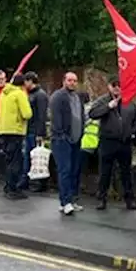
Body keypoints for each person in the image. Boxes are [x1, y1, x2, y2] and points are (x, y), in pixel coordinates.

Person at [89, 77, 136, 212]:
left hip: (124, 142)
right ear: (109, 87)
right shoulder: (103, 100)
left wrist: (132, 133)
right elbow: (92, 113)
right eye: (114, 85)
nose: (117, 88)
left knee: (126, 172)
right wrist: (108, 107)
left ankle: (130, 199)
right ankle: (101, 198)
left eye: (119, 85)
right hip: (108, 141)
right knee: (105, 172)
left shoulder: (129, 101)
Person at [50, 71, 86, 216]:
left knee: (74, 171)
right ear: (64, 81)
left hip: (76, 139)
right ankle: (65, 202)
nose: (72, 83)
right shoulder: (58, 97)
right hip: (62, 140)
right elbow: (56, 119)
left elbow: (80, 115)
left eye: (75, 81)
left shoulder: (77, 97)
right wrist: (62, 135)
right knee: (64, 170)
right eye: (70, 80)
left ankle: (71, 199)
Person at [0, 73, 33, 201]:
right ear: (23, 84)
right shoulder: (19, 94)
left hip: (2, 130)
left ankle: (7, 186)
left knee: (9, 160)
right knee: (16, 161)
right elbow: (27, 114)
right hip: (15, 130)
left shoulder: (4, 93)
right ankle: (13, 189)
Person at [19, 71, 49, 193]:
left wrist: (40, 133)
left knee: (36, 158)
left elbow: (42, 115)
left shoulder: (40, 95)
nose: (24, 84)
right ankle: (26, 180)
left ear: (30, 81)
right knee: (30, 157)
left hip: (34, 131)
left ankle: (38, 182)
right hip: (30, 130)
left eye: (26, 81)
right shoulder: (32, 94)